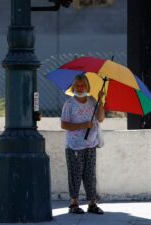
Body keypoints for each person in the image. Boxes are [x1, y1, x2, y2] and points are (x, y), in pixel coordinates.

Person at [60, 75, 105, 215]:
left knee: (90, 175)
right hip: (74, 146)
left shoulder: (93, 101)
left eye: (83, 85)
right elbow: (64, 124)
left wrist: (101, 101)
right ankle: (74, 203)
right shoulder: (69, 104)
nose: (80, 88)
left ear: (87, 87)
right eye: (77, 86)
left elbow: (101, 118)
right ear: (74, 87)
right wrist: (82, 125)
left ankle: (92, 203)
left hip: (91, 144)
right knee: (75, 175)